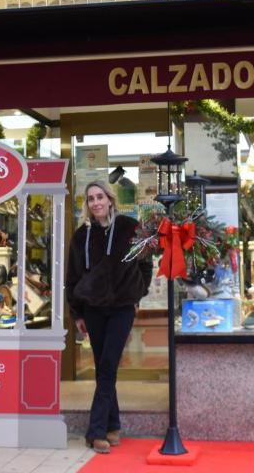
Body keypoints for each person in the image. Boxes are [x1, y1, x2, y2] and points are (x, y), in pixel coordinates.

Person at [65, 181, 152, 454]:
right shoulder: (81, 236)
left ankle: (96, 430)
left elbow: (145, 263)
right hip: (92, 309)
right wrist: (77, 312)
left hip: (122, 307)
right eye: (90, 199)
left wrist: (137, 295)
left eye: (100, 197)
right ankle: (113, 426)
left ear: (110, 199)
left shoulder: (129, 227)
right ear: (87, 205)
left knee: (107, 366)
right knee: (105, 366)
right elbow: (73, 276)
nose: (96, 203)